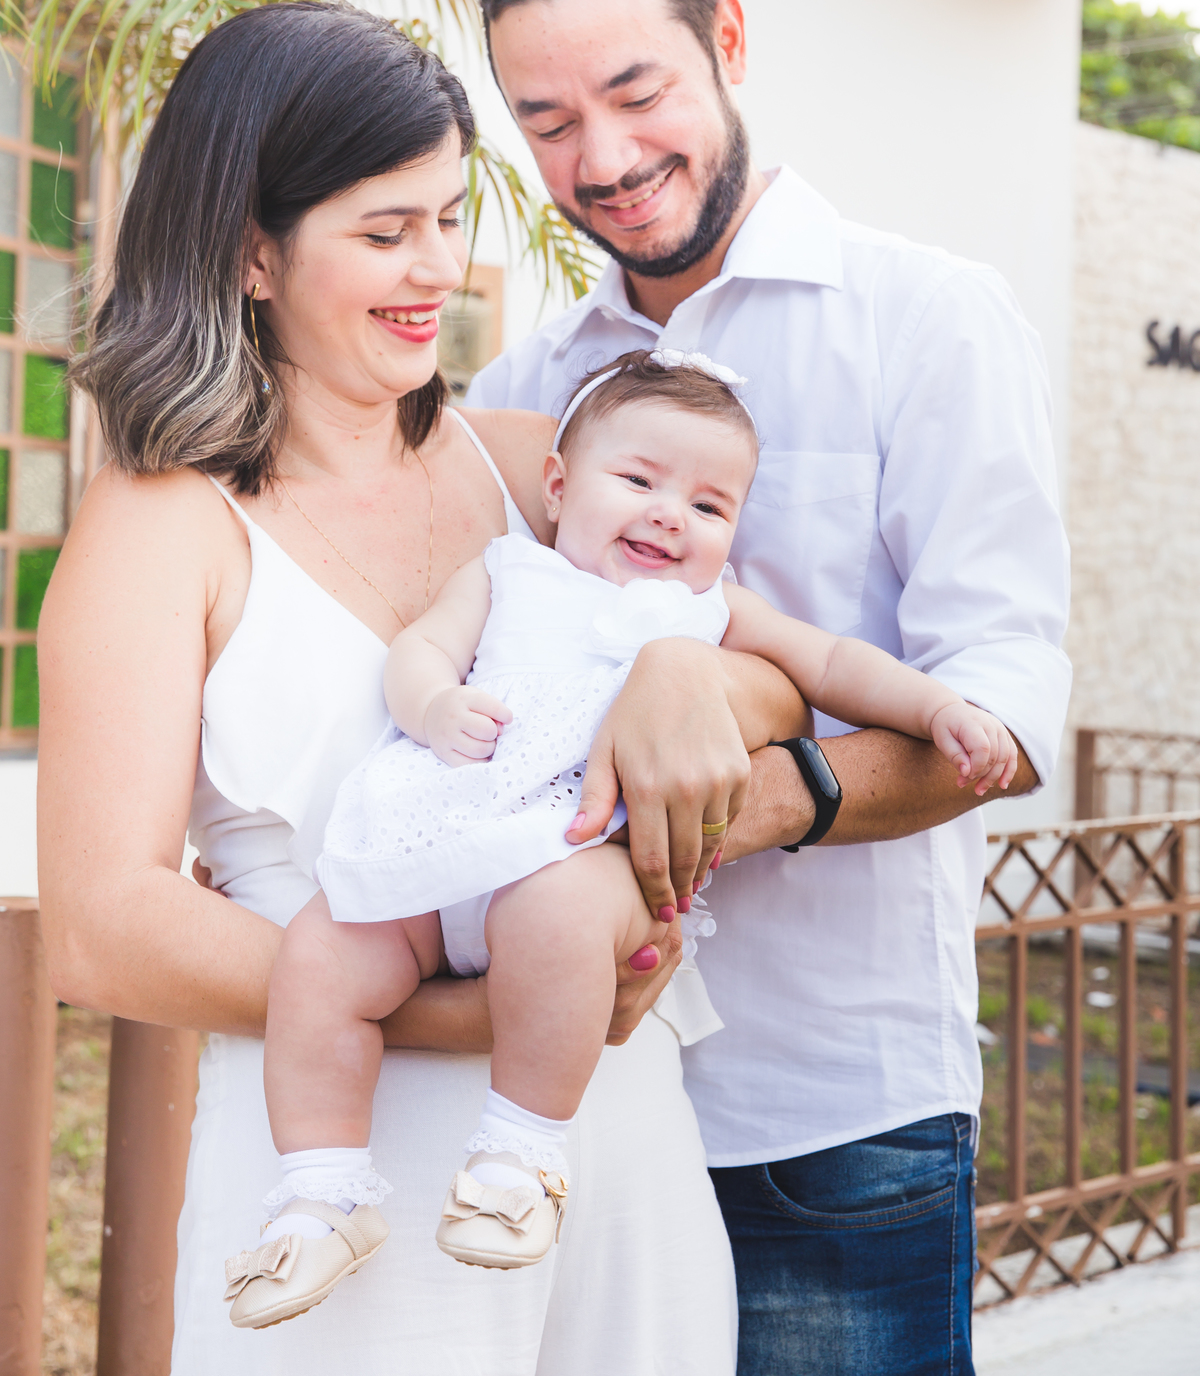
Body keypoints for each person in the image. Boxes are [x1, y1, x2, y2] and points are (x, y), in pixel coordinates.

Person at [35, 1, 805, 1376]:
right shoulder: (157, 527)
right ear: (253, 252)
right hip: (344, 1179)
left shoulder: (531, 465)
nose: (438, 269)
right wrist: (475, 1013)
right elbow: (103, 927)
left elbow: (777, 673)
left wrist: (688, 673)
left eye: (449, 218)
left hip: (616, 1135)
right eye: (387, 231)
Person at [467, 0, 1073, 1375]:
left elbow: (1006, 700)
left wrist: (758, 796)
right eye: (548, 121)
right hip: (573, 1101)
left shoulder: (929, 319)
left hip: (831, 1113)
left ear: (727, 40)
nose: (606, 159)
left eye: (636, 93)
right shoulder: (527, 387)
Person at [244, 348, 1017, 1325]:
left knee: (558, 920)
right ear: (558, 487)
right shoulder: (508, 571)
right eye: (640, 481)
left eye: (709, 504)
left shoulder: (712, 611)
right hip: (445, 838)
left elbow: (829, 664)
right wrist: (434, 703)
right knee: (323, 949)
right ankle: (322, 1188)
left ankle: (519, 1156)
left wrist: (940, 708)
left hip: (579, 856)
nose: (670, 515)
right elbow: (421, 649)